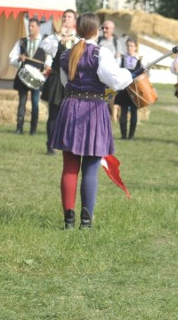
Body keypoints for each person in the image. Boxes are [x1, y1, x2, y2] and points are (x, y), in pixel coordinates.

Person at [51, 12, 139, 229]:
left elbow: (65, 82)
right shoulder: (102, 53)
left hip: (71, 106)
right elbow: (117, 81)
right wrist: (132, 74)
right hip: (93, 110)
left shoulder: (66, 54)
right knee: (90, 168)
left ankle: (69, 221)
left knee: (70, 167)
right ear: (95, 30)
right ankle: (86, 222)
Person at [41, 9, 78, 155]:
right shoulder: (53, 38)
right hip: (57, 79)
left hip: (72, 81)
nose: (66, 19)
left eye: (69, 17)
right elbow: (45, 47)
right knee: (54, 114)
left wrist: (70, 39)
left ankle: (66, 143)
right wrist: (60, 38)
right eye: (64, 17)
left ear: (74, 21)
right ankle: (50, 145)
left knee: (70, 114)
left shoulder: (78, 39)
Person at [8, 17, 49, 135]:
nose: (30, 28)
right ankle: (19, 128)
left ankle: (33, 130)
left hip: (37, 76)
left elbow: (49, 58)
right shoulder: (21, 42)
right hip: (23, 76)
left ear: (38, 27)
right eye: (29, 26)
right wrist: (19, 59)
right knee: (22, 102)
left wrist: (46, 68)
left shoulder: (45, 42)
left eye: (33, 26)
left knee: (35, 103)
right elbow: (12, 58)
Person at [114, 38, 143, 140]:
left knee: (134, 112)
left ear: (135, 47)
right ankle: (123, 135)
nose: (129, 48)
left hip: (135, 89)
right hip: (124, 88)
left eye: (131, 46)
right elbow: (116, 71)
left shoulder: (140, 60)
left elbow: (146, 74)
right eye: (128, 46)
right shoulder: (121, 58)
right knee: (123, 111)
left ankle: (131, 135)